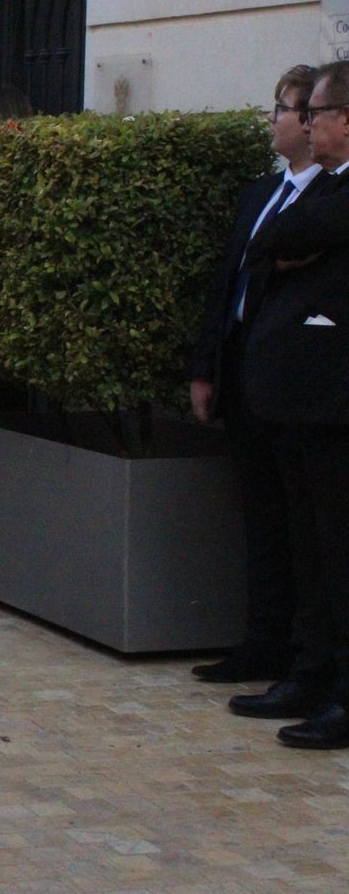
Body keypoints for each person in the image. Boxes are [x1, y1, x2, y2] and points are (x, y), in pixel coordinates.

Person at [186, 65, 320, 685]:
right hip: (242, 374)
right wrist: (206, 369)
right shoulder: (258, 195)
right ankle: (261, 641)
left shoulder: (329, 201)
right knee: (260, 517)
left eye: (284, 109)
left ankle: (304, 653)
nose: (275, 120)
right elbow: (226, 287)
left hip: (298, 388)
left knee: (305, 524)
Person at [234, 59, 349, 749]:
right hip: (299, 406)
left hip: (335, 406)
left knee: (336, 551)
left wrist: (290, 253)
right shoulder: (321, 190)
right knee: (308, 549)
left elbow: (290, 242)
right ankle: (310, 671)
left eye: (319, 113)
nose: (309, 126)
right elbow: (268, 243)